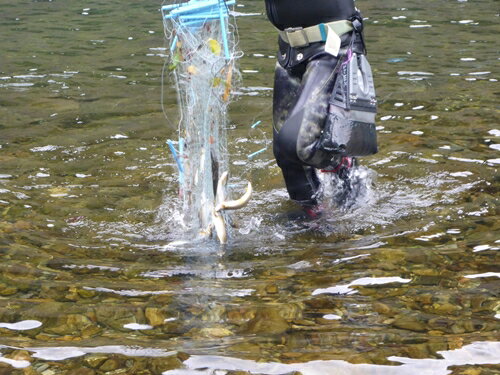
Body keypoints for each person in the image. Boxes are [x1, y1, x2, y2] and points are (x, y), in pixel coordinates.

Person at [264, 0, 378, 218]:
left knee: (297, 144)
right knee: (284, 155)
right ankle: (313, 220)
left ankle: (338, 157)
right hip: (289, 50)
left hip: (332, 46)